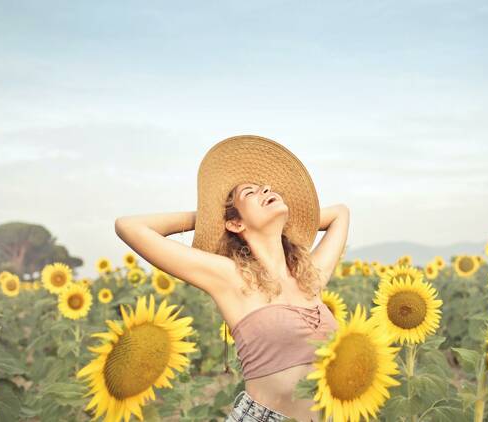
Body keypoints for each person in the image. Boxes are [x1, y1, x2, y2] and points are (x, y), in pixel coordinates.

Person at [115, 134, 349, 421]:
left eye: (267, 189)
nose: (265, 190)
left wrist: (293, 217)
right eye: (250, 193)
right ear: (235, 222)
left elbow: (341, 213)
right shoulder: (229, 276)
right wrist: (208, 218)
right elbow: (129, 226)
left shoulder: (308, 277)